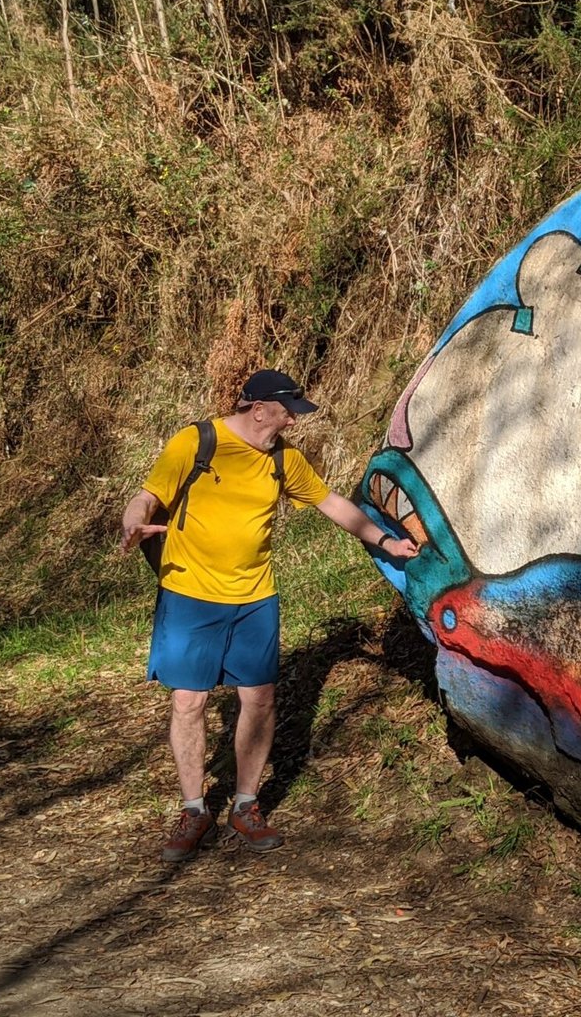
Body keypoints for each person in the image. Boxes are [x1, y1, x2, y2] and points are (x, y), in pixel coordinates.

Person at [119, 369, 417, 861]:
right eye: (286, 413)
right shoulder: (198, 442)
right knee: (189, 703)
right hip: (190, 595)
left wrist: (384, 539)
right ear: (258, 409)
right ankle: (194, 810)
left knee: (258, 699)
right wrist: (133, 519)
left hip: (255, 598)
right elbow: (149, 495)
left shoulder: (285, 460)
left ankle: (245, 805)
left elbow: (332, 504)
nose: (292, 423)